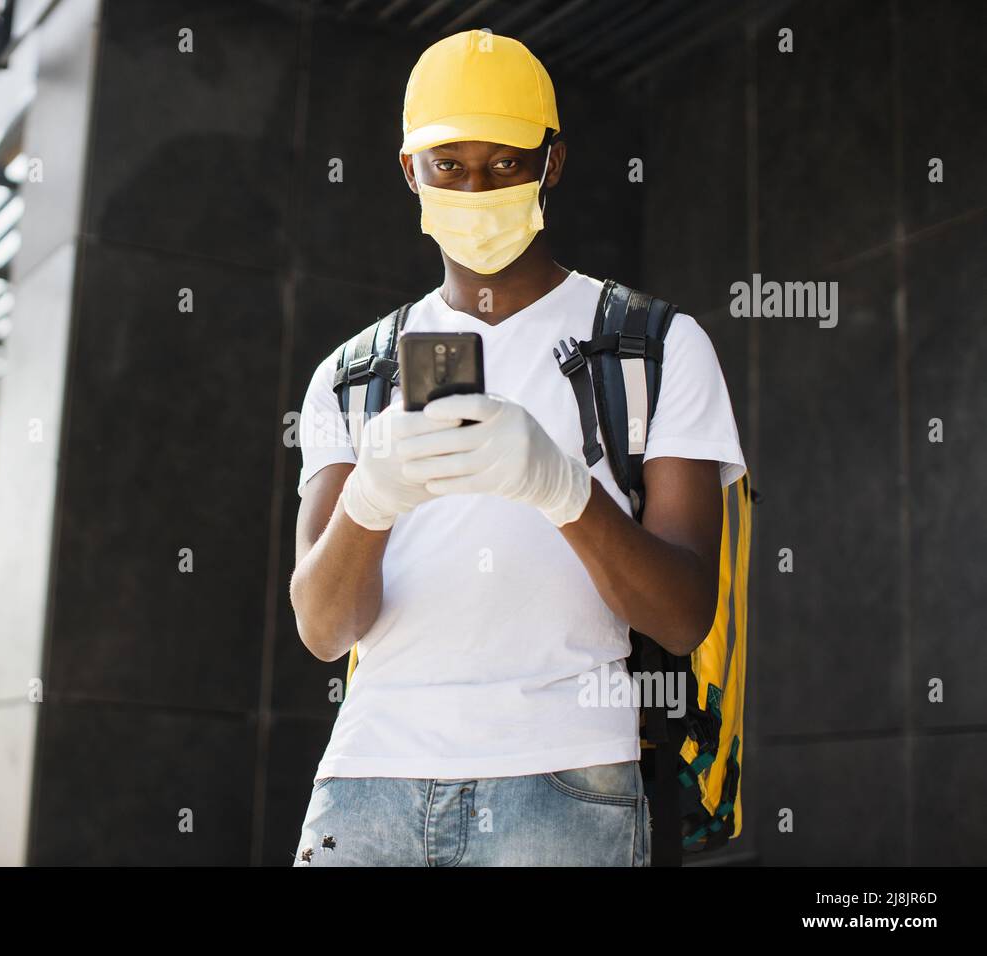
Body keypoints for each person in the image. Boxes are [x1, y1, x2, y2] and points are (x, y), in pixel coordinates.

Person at [289, 29, 745, 867]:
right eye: (448, 167)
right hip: (368, 789)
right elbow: (323, 627)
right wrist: (369, 502)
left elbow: (682, 615)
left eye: (505, 164)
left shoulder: (654, 345)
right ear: (408, 173)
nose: (476, 188)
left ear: (553, 164)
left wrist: (562, 489)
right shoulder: (354, 374)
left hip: (566, 786)